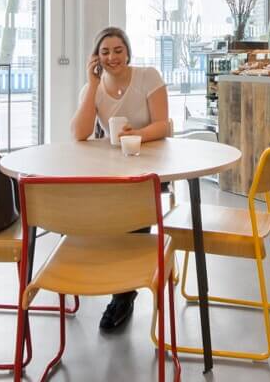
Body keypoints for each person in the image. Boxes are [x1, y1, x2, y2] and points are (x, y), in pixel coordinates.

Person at [70, 26, 170, 331]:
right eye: (105, 51)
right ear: (96, 57)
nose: (112, 57)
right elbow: (79, 133)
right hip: (111, 169)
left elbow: (164, 124)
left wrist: (136, 136)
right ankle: (117, 281)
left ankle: (123, 294)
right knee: (106, 212)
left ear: (127, 52)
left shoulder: (147, 76)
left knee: (132, 205)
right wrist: (91, 84)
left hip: (151, 165)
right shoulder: (94, 88)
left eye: (117, 50)